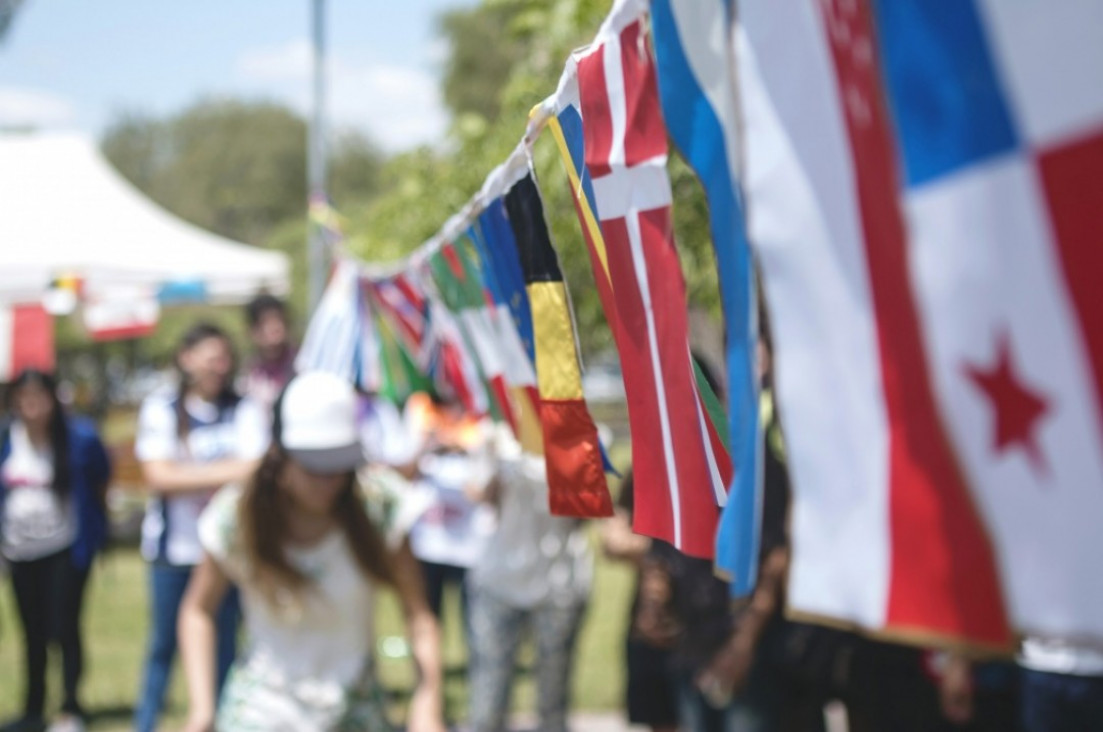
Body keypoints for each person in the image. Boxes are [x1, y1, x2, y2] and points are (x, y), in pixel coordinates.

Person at [178, 370, 445, 731]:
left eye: (340, 463)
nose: (330, 480)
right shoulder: (239, 518)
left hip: (354, 710)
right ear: (279, 458)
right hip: (263, 710)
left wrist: (427, 705)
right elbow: (198, 611)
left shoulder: (377, 506)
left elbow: (419, 616)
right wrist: (201, 710)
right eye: (315, 466)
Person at [133, 323, 269, 732]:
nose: (218, 367)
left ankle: (222, 719)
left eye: (224, 358)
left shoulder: (245, 408)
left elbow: (259, 469)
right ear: (186, 358)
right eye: (210, 358)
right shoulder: (161, 408)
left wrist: (188, 473)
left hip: (228, 552)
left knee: (225, 643)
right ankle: (147, 722)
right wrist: (228, 473)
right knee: (164, 644)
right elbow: (158, 477)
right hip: (173, 551)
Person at [0, 370, 111, 732]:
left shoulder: (78, 438)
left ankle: (70, 706)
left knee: (64, 627)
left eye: (38, 397)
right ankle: (33, 708)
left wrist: (99, 533)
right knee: (30, 631)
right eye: (23, 397)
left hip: (65, 549)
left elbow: (100, 478)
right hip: (19, 552)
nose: (31, 406)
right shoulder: (6, 438)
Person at [466, 425, 592, 732]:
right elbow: (478, 494)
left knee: (552, 703)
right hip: (499, 582)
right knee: (488, 700)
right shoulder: (498, 431)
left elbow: (588, 513)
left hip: (558, 588)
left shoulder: (582, 431)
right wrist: (495, 468)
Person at [403, 390, 495, 625]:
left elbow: (486, 487)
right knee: (428, 615)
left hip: (470, 543)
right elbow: (406, 472)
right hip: (427, 542)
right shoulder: (420, 406)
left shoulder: (480, 412)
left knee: (474, 617)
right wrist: (429, 445)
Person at [602, 470, 679, 732]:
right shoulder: (644, 471)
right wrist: (663, 550)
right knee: (658, 714)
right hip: (647, 615)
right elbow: (613, 541)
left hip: (702, 615)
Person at [241, 294, 296, 416]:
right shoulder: (246, 376)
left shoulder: (301, 366)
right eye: (266, 323)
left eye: (279, 321)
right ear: (253, 331)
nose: (275, 329)